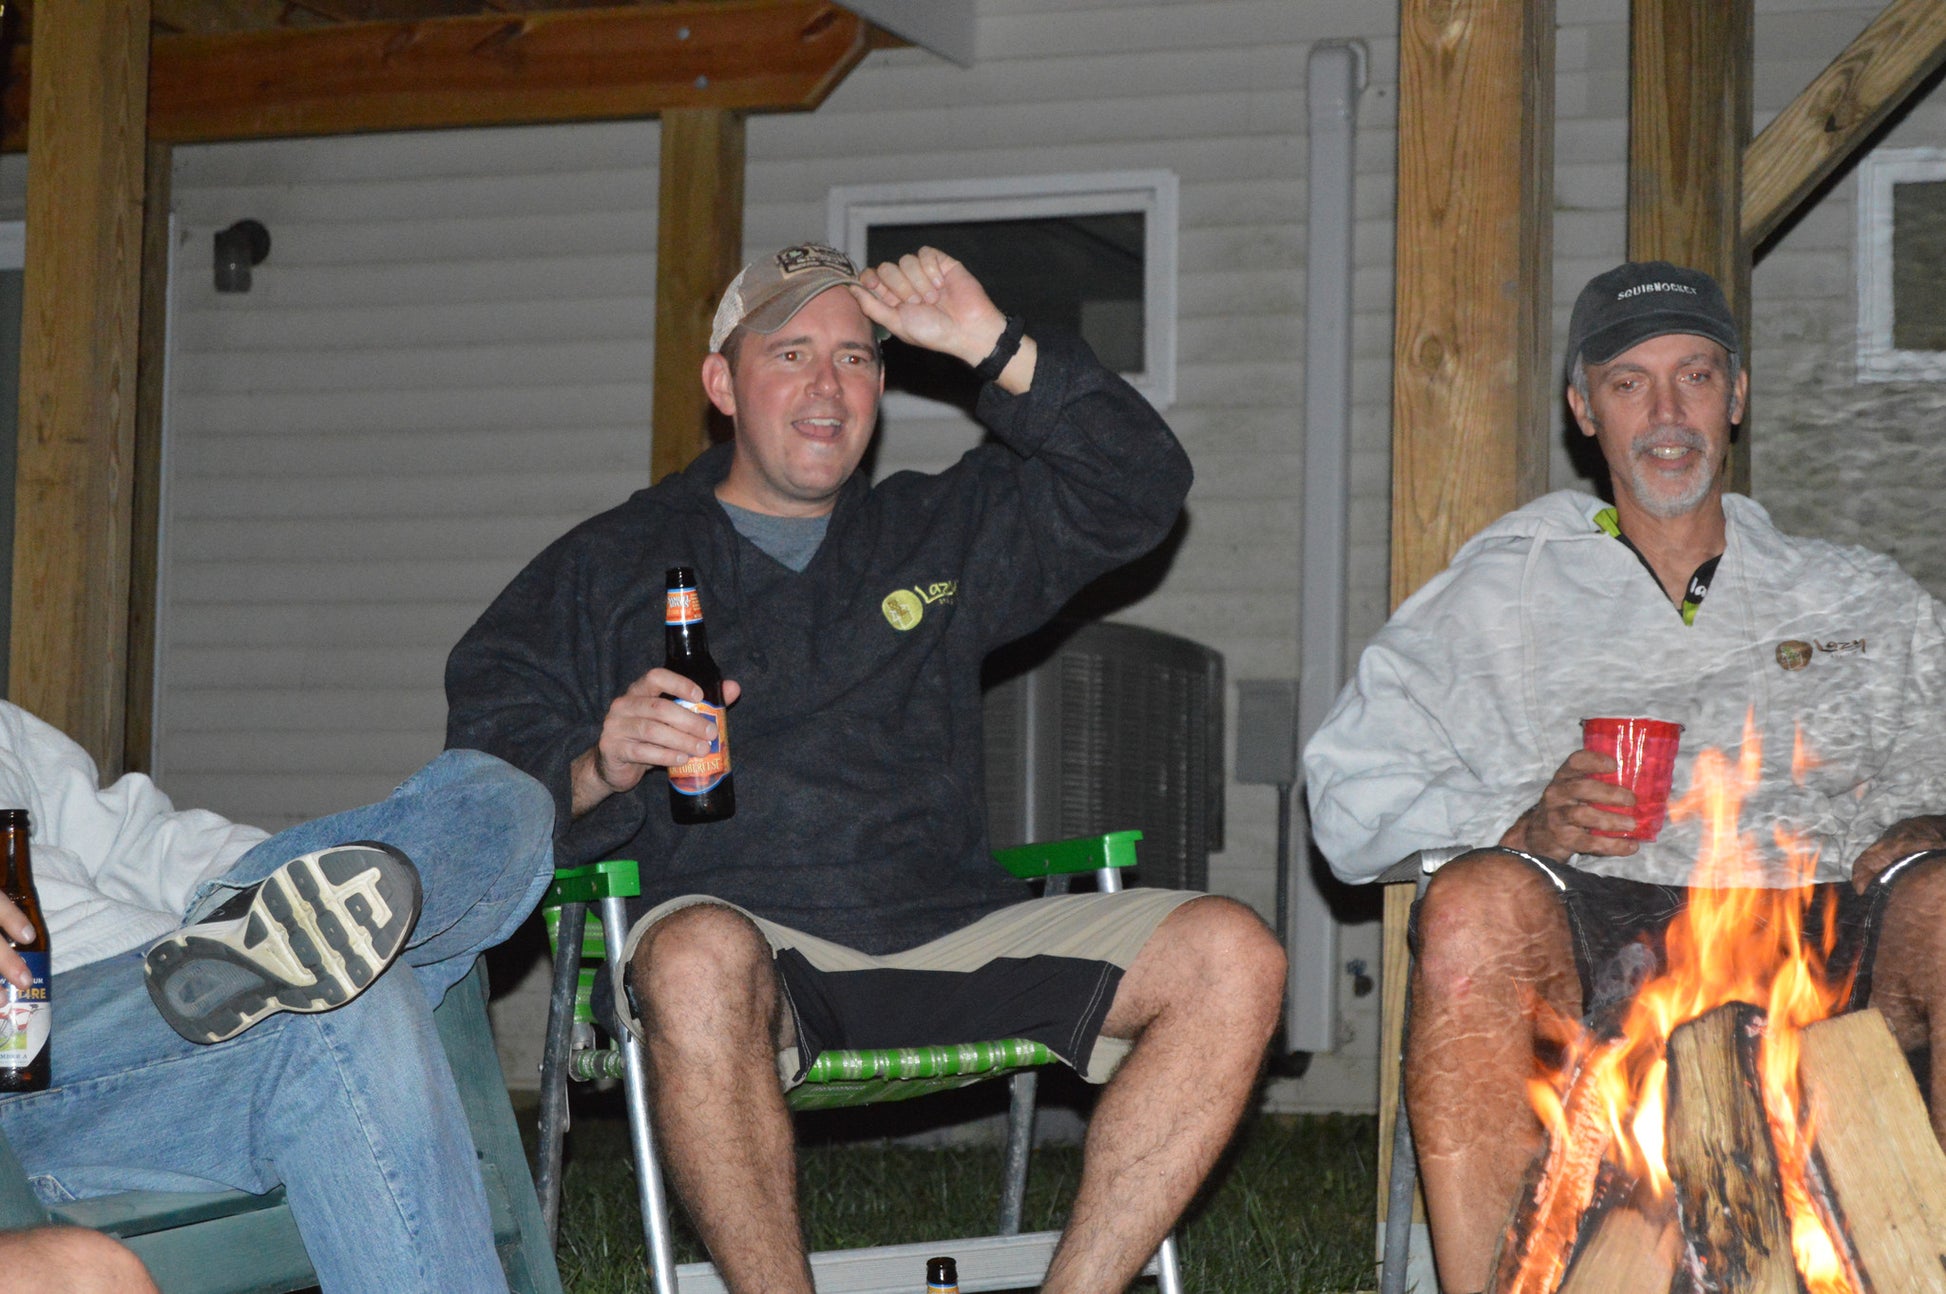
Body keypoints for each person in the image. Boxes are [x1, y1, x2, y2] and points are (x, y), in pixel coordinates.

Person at [446, 242, 1286, 1294]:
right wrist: (596, 767)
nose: (827, 387)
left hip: (954, 930)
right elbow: (481, 768)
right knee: (695, 957)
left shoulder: (932, 530)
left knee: (1233, 954)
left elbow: (1140, 485)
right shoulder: (607, 564)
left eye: (854, 358)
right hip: (750, 959)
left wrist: (992, 342)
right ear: (721, 385)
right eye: (790, 353)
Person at [1303, 260, 1946, 1293]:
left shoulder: (1851, 596)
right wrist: (1517, 823)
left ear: (1735, 396)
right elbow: (1346, 797)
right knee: (1472, 904)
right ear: (1582, 409)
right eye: (1628, 383)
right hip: (1599, 933)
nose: (1666, 414)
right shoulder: (1500, 596)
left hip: (1823, 923)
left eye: (1694, 376)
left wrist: (1931, 824)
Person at [0, 699, 556, 1293]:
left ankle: (256, 938)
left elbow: (145, 842)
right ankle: (265, 959)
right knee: (332, 1006)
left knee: (503, 800)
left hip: (161, 980)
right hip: (29, 1035)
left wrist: (274, 877)